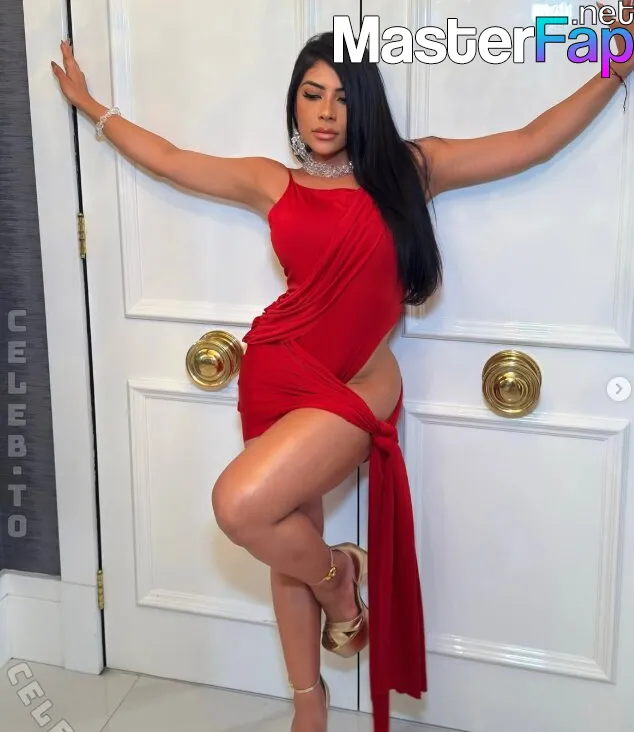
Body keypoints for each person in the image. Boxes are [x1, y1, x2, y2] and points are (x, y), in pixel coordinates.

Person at [52, 14, 633, 732]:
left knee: (240, 506)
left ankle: (338, 581)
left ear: (365, 105)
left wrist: (617, 59)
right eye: (312, 94)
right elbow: (171, 158)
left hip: (358, 383)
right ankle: (310, 699)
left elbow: (531, 140)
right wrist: (93, 107)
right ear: (294, 103)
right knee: (283, 530)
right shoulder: (273, 181)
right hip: (276, 370)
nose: (326, 112)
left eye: (343, 97)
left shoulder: (410, 170)